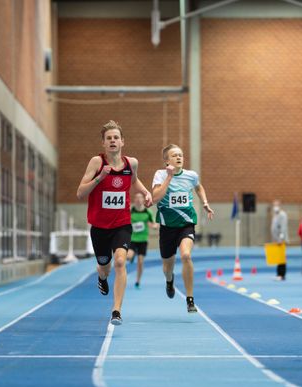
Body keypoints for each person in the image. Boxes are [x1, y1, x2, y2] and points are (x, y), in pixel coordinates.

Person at [77, 120, 152, 326]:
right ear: (103, 143)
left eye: (115, 138)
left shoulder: (131, 163)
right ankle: (101, 277)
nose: (112, 141)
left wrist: (145, 192)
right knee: (105, 266)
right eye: (108, 138)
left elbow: (134, 180)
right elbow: (80, 193)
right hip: (100, 227)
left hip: (122, 223)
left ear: (122, 142)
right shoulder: (96, 162)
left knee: (120, 261)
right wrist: (100, 178)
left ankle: (116, 310)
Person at [152, 144, 215, 313]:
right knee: (168, 268)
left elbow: (198, 186)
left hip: (186, 224)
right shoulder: (160, 175)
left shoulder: (191, 175)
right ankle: (169, 281)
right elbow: (156, 198)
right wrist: (169, 177)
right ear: (167, 160)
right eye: (174, 155)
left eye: (180, 155)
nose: (179, 157)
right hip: (167, 227)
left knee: (186, 255)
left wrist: (205, 203)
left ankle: (190, 299)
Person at [127, 192, 158, 289]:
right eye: (136, 198)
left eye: (140, 198)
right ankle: (132, 257)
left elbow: (154, 224)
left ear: (143, 200)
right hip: (132, 239)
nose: (138, 200)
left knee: (140, 262)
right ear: (134, 200)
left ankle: (137, 281)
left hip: (143, 240)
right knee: (128, 257)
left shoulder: (147, 212)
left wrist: (155, 226)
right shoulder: (131, 211)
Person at [270, 200, 289, 281]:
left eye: (277, 205)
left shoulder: (282, 215)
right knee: (278, 257)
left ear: (280, 206)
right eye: (274, 205)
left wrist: (281, 239)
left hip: (281, 240)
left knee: (281, 257)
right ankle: (278, 274)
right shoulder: (275, 215)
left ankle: (282, 274)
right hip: (276, 239)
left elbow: (283, 227)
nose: (275, 207)